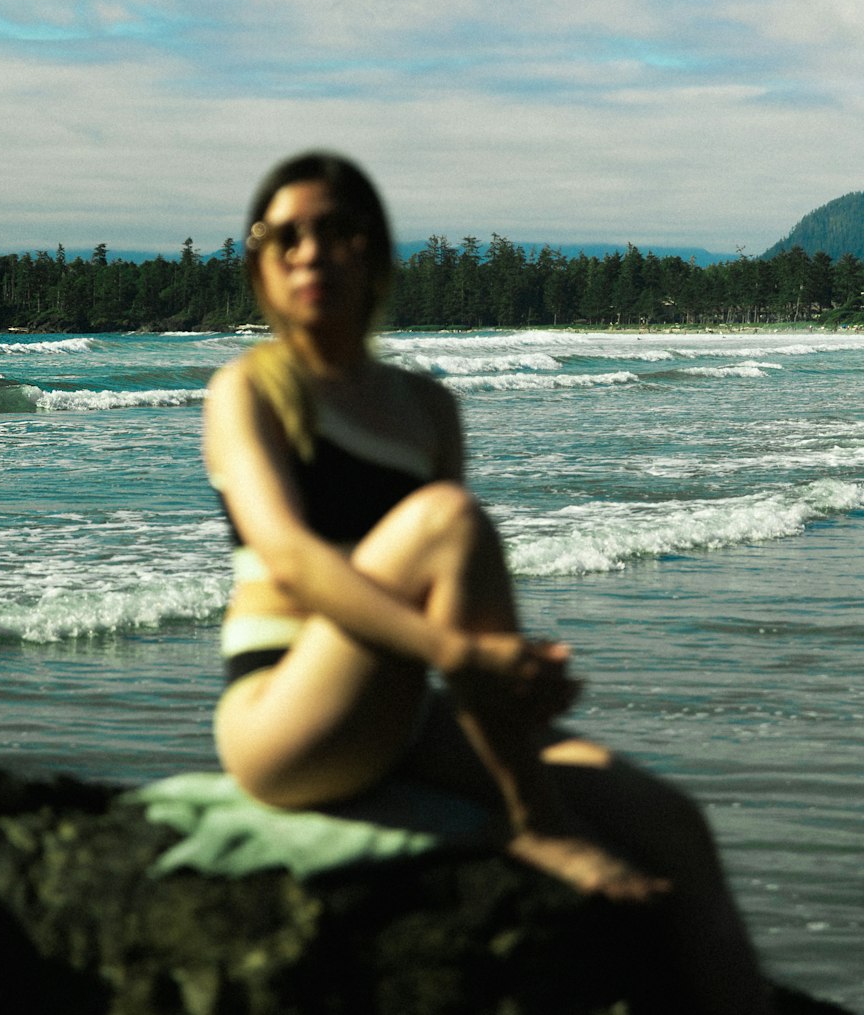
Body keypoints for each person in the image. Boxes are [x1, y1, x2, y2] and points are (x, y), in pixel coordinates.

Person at [204, 150, 771, 1014]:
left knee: (671, 824)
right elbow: (292, 556)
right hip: (285, 716)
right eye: (283, 237)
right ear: (259, 265)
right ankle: (535, 820)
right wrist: (461, 653)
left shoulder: (426, 407)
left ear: (377, 256)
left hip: (401, 713)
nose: (310, 254)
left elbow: (456, 586)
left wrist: (503, 671)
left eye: (336, 233)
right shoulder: (248, 390)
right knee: (448, 519)